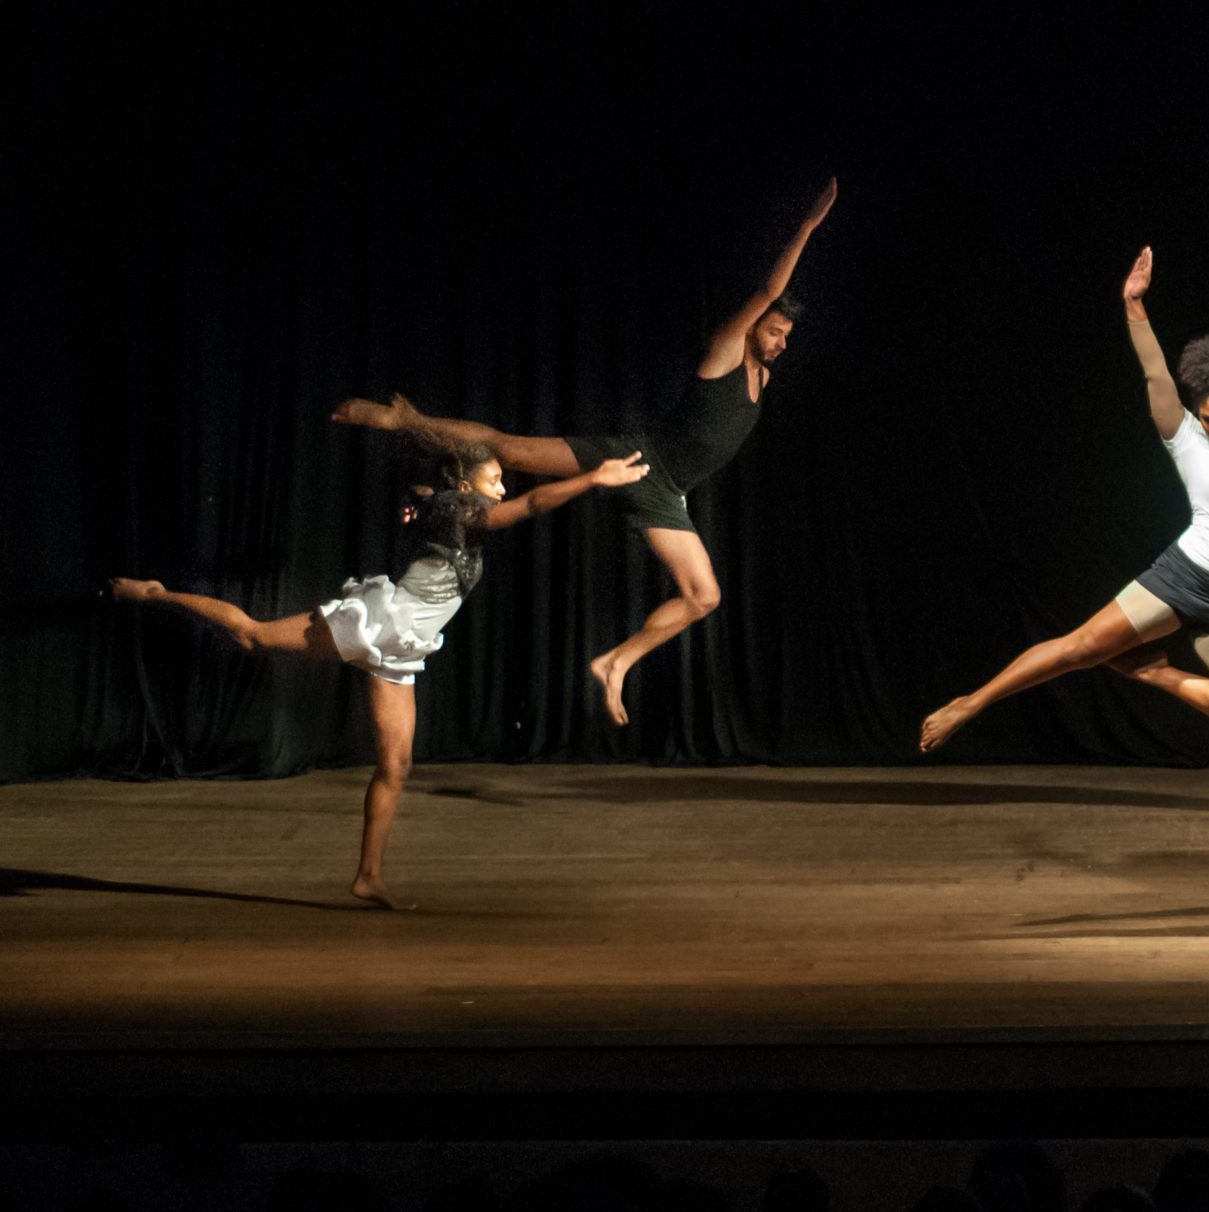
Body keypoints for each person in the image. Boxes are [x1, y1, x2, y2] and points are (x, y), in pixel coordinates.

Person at [333, 178, 835, 725]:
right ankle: (407, 419)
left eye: (787, 334)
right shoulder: (727, 353)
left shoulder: (763, 376)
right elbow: (765, 291)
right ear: (753, 327)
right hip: (638, 460)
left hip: (668, 492)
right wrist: (807, 227)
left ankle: (616, 663)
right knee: (508, 449)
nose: (782, 341)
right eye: (777, 331)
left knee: (703, 597)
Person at [107, 439, 650, 908]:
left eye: (503, 481)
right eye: (495, 479)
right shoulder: (465, 509)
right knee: (253, 635)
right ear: (466, 481)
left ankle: (367, 877)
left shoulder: (447, 503)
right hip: (380, 621)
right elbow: (532, 505)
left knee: (397, 764)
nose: (503, 488)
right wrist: (594, 477)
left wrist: (416, 496)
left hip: (402, 646)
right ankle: (157, 594)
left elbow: (429, 496)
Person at [919, 247, 1209, 751]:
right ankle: (970, 704)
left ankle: (1152, 673)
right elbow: (1157, 374)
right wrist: (1135, 305)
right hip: (1184, 578)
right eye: (1208, 418)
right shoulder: (1187, 440)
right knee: (1081, 649)